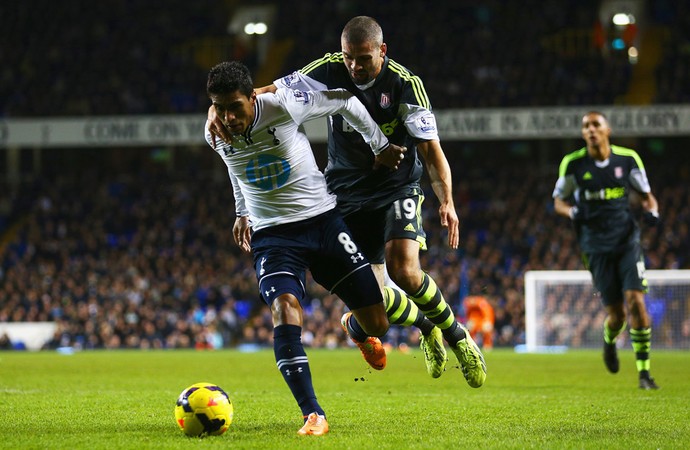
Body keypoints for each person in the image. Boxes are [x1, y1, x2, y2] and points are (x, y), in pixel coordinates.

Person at [208, 16, 486, 387]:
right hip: (345, 193)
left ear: (382, 51)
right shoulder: (326, 68)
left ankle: (458, 338)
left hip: (396, 186)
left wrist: (447, 201)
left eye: (364, 58)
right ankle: (423, 327)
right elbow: (266, 90)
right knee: (376, 297)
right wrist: (218, 109)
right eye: (348, 57)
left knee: (404, 269)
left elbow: (432, 152)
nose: (355, 66)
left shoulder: (405, 85)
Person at [204, 61, 407, 435]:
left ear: (253, 96)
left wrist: (378, 144)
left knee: (378, 321)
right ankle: (313, 414)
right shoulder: (214, 131)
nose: (228, 117)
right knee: (284, 308)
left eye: (235, 107)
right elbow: (237, 167)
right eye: (219, 107)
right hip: (274, 236)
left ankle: (356, 330)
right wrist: (242, 212)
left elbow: (345, 100)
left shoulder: (284, 105)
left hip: (323, 223)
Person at [553, 111, 661, 390]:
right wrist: (573, 211)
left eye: (596, 125)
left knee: (636, 301)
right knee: (617, 315)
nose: (590, 130)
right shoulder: (573, 164)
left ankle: (644, 373)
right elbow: (558, 202)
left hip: (627, 241)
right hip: (594, 246)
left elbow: (648, 198)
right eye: (586, 126)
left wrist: (653, 212)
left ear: (607, 130)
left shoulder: (628, 160)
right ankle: (610, 341)